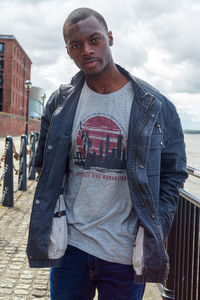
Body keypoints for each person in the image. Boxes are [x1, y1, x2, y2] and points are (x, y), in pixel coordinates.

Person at [26, 7, 188, 300]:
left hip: (125, 255)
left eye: (95, 40)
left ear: (110, 38)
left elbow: (174, 173)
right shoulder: (59, 103)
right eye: (76, 45)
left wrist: (156, 227)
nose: (86, 50)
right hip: (70, 250)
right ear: (68, 51)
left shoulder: (155, 105)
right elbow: (44, 165)